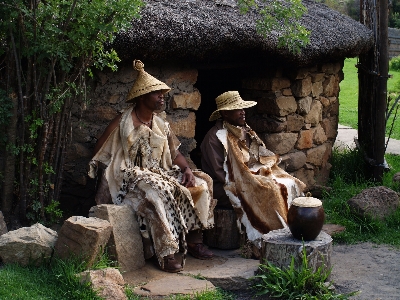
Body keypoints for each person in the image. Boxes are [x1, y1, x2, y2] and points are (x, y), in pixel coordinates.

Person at [88, 60, 215, 273]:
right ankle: (166, 253)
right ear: (142, 97)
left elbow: (174, 154)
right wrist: (106, 172)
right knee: (158, 192)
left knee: (202, 183)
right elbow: (99, 151)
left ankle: (194, 240)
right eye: (156, 93)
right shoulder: (123, 123)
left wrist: (187, 170)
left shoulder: (161, 124)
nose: (162, 97)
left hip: (159, 171)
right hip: (131, 175)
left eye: (162, 93)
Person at [200, 91, 306, 248]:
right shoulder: (215, 138)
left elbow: (253, 157)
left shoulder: (243, 130)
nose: (243, 112)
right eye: (237, 109)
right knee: (270, 191)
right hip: (224, 186)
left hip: (245, 176)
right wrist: (250, 182)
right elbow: (221, 174)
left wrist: (257, 174)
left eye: (243, 108)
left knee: (288, 182)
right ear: (224, 114)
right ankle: (270, 239)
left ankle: (294, 228)